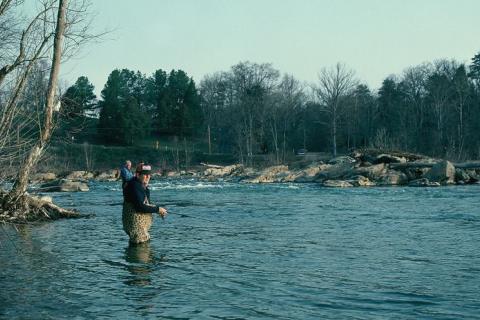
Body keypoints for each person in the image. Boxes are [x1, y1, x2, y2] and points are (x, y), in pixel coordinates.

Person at [122, 164, 167, 244]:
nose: (148, 177)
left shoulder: (141, 185)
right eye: (145, 175)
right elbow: (140, 207)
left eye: (149, 175)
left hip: (140, 231)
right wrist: (157, 209)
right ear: (138, 175)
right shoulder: (134, 186)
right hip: (137, 232)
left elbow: (146, 203)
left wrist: (159, 210)